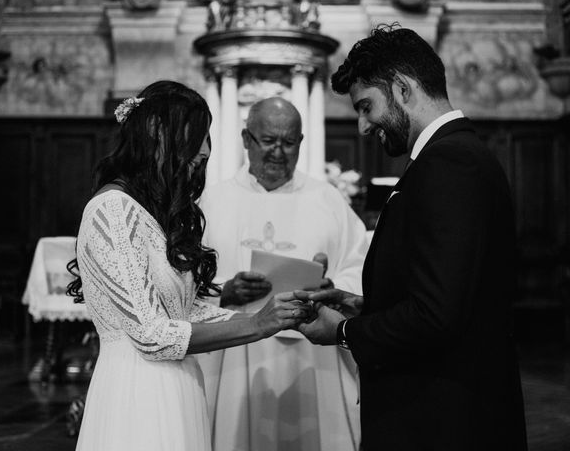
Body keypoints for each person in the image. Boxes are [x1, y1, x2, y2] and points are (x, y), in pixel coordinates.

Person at [296, 25, 528, 451]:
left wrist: (345, 331)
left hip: (443, 420)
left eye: (366, 106)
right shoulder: (455, 157)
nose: (363, 126)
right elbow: (453, 292)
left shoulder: (450, 165)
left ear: (402, 88)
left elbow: (437, 317)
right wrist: (365, 307)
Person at [66, 81, 311, 451]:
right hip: (138, 393)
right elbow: (152, 335)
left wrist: (275, 314)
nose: (206, 149)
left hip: (179, 384)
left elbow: (184, 311)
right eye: (198, 135)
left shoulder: (150, 212)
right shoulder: (112, 210)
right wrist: (259, 325)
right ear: (156, 134)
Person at [197, 97, 369, 451]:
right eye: (268, 141)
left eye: (288, 142)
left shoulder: (328, 200)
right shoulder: (212, 203)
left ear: (301, 143)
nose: (278, 152)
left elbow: (359, 264)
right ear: (246, 139)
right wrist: (224, 291)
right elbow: (185, 280)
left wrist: (333, 288)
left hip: (312, 353)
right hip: (234, 353)